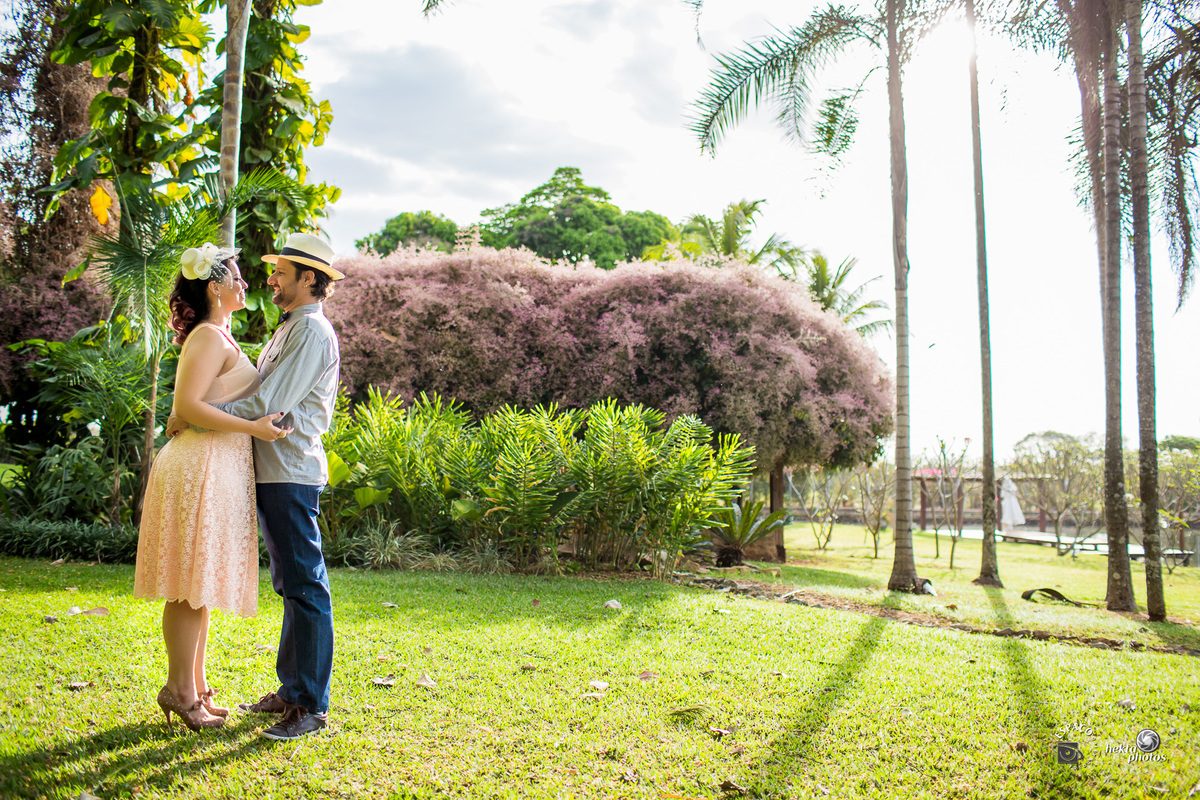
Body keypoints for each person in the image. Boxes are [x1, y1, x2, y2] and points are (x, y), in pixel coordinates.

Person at [172, 232, 344, 741]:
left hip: (290, 470)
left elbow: (270, 403)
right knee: (291, 583)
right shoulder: (289, 329)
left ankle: (310, 704)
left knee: (305, 584)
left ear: (308, 278)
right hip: (271, 470)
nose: (270, 279)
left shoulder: (311, 332)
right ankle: (292, 691)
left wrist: (196, 416)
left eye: (280, 272)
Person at [133, 243, 289, 733]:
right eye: (238, 278)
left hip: (215, 466)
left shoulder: (220, 336)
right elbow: (188, 407)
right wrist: (256, 429)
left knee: (197, 586)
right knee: (186, 587)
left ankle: (195, 687)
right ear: (214, 287)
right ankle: (179, 691)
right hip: (197, 466)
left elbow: (194, 408)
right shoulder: (206, 337)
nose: (246, 285)